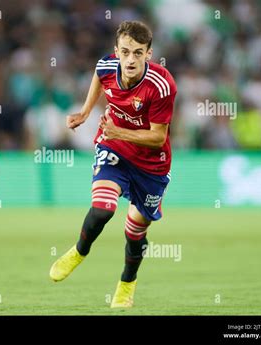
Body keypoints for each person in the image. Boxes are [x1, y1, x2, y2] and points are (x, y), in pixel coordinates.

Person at [49, 20, 177, 308]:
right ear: (116, 51)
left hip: (151, 166)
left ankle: (126, 284)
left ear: (149, 54)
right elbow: (99, 75)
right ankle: (79, 251)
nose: (130, 59)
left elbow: (158, 138)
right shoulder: (107, 65)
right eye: (125, 52)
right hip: (113, 148)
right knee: (102, 209)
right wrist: (84, 112)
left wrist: (120, 131)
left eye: (138, 53)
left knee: (134, 232)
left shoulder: (162, 85)